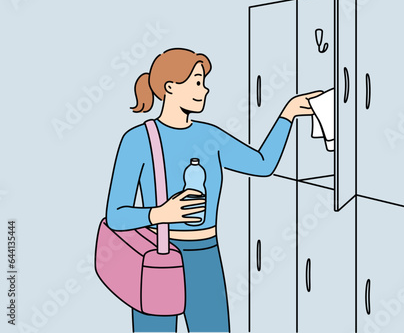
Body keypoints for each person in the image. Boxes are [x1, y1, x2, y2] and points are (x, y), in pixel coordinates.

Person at [105, 48, 321, 332]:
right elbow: (116, 216)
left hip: (204, 256)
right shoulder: (137, 140)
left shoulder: (211, 137)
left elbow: (262, 164)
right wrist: (160, 213)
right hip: (157, 255)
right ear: (170, 86)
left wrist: (287, 114)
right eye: (197, 82)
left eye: (204, 82)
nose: (205, 90)